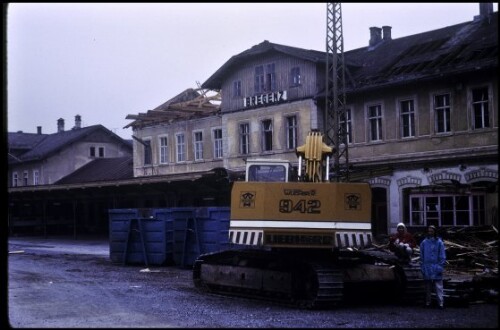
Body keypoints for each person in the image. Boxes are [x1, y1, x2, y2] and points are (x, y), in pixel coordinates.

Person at [420, 225, 446, 309]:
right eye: (429, 231)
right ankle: (428, 302)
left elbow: (442, 255)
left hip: (436, 265)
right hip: (427, 266)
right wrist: (422, 266)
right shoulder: (424, 242)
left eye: (432, 231)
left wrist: (440, 266)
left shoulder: (439, 242)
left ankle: (440, 303)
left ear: (435, 232)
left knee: (438, 286)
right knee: (428, 286)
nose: (430, 233)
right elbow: (421, 255)